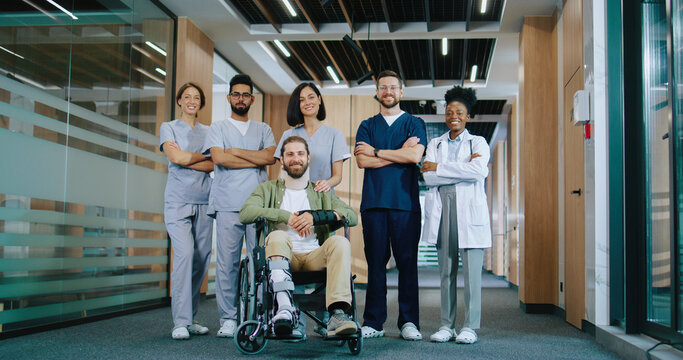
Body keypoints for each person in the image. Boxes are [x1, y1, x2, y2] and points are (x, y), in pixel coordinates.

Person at [239, 136, 358, 338]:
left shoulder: (321, 191)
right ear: (282, 160)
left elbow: (352, 216)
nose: (296, 158)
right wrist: (286, 217)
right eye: (290, 154)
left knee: (339, 242)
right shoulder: (267, 189)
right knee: (277, 235)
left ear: (308, 157)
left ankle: (338, 313)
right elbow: (246, 213)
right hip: (283, 257)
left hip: (314, 256)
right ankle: (284, 309)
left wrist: (315, 217)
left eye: (300, 153)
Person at [353, 70, 426, 341]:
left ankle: (409, 322)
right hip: (374, 203)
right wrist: (399, 153)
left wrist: (377, 151)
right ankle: (373, 321)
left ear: (401, 92)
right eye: (383, 87)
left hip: (405, 204)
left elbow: (415, 155)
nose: (388, 91)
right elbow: (363, 161)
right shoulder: (367, 125)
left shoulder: (414, 123)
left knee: (408, 263)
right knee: (375, 263)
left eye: (393, 87)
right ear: (377, 92)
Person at [274, 82, 351, 338]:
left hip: (321, 202)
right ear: (297, 104)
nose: (307, 102)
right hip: (293, 203)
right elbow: (281, 171)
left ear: (319, 100)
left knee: (324, 258)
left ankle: (327, 318)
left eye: (311, 97)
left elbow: (337, 175)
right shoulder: (288, 134)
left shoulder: (333, 134)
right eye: (301, 98)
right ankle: (294, 318)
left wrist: (326, 184)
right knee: (295, 255)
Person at [203, 74, 276, 338]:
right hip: (227, 203)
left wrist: (235, 151)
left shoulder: (264, 129)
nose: (241, 99)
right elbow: (219, 159)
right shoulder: (218, 127)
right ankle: (229, 318)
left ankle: (257, 315)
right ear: (229, 97)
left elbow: (269, 157)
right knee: (227, 263)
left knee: (260, 264)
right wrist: (251, 158)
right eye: (236, 94)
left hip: (257, 204)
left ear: (252, 99)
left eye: (245, 95)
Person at [420, 86, 491, 344]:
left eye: (460, 112)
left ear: (468, 116)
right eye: (450, 112)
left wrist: (440, 167)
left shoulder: (478, 142)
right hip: (443, 206)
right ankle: (446, 325)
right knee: (446, 272)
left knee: (472, 274)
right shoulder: (435, 143)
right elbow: (427, 177)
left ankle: (470, 326)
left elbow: (478, 171)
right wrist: (459, 168)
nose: (454, 116)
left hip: (469, 211)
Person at [160, 82, 215, 340]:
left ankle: (191, 318)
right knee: (184, 257)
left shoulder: (209, 130)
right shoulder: (168, 127)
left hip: (204, 199)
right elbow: (176, 159)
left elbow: (214, 164)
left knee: (201, 258)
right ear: (179, 101)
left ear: (200, 103)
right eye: (186, 96)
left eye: (196, 97)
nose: (191, 100)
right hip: (178, 201)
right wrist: (197, 158)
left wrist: (186, 157)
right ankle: (179, 322)